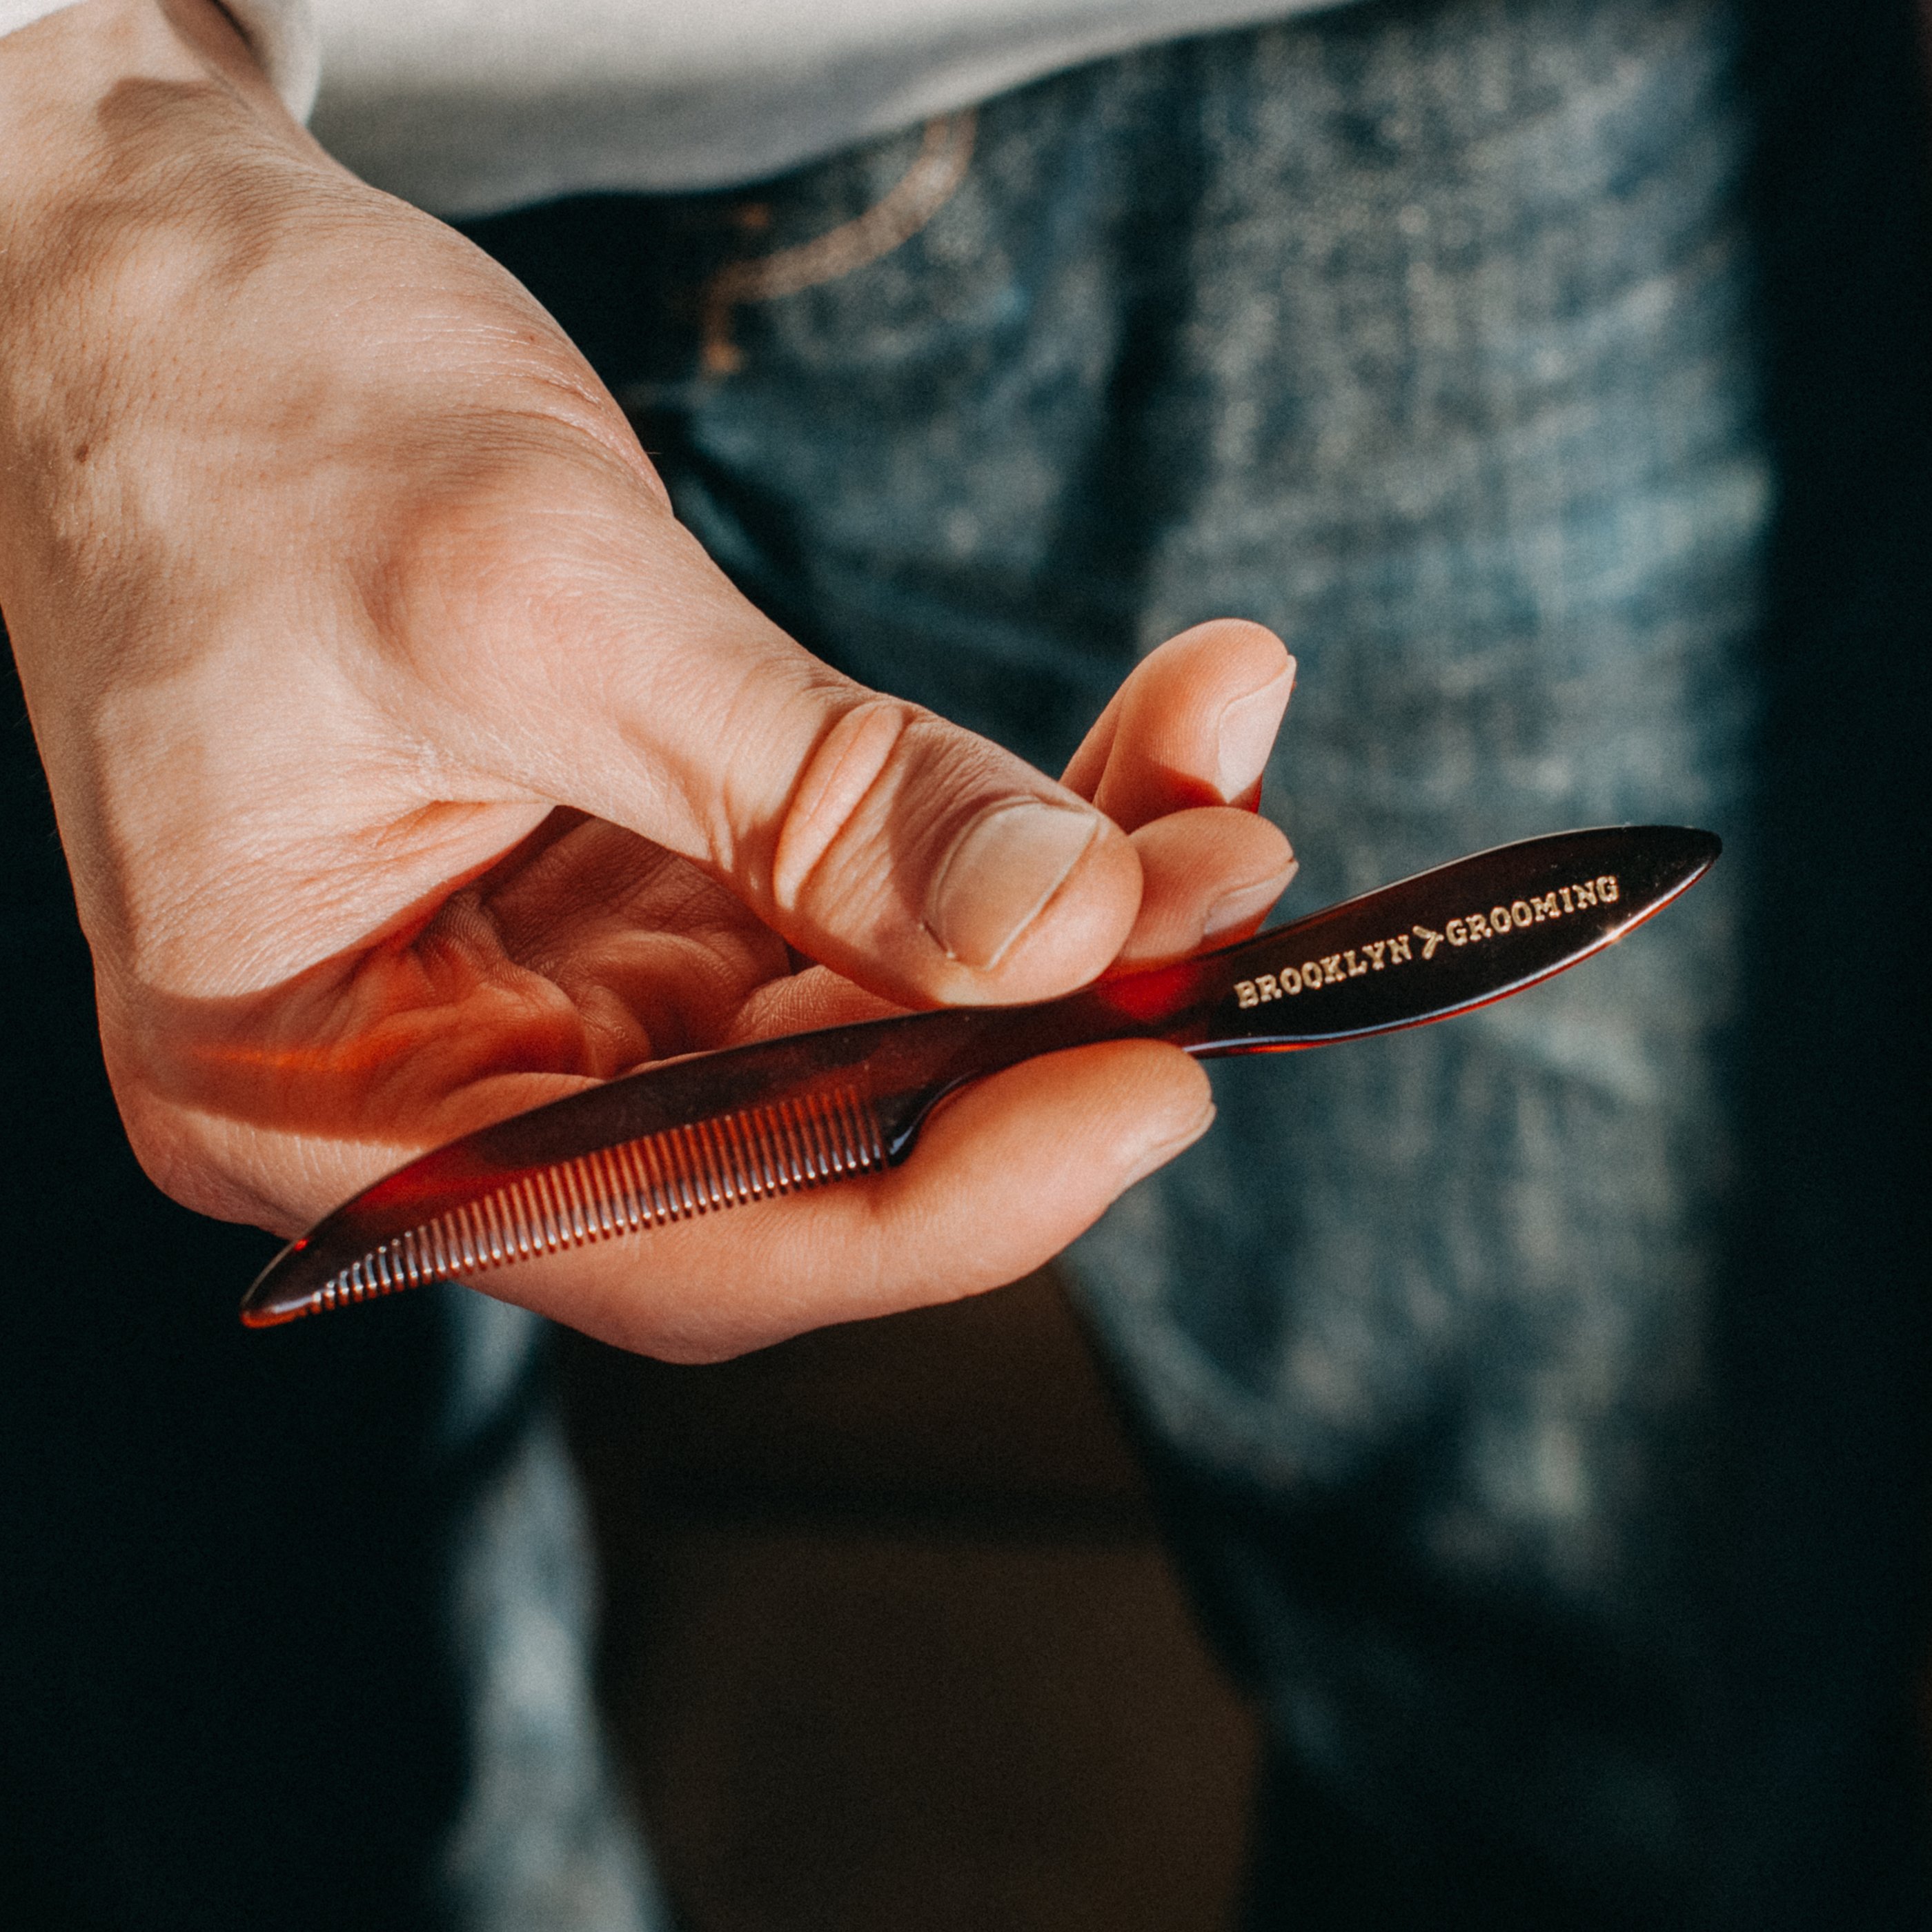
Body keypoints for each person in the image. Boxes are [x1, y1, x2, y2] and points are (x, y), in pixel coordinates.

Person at [0, 1, 1926, 1929]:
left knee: (1617, 1730)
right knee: (257, 1752)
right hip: (124, 241)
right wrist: (64, 136)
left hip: (1455, 115)